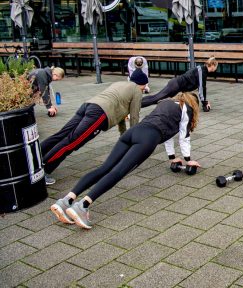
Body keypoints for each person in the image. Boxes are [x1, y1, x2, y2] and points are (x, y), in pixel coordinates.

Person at [50, 92, 201, 229]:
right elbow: (184, 137)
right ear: (193, 104)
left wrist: (173, 158)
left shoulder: (167, 103)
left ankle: (66, 201)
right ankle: (82, 206)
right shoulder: (186, 109)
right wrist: (189, 160)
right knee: (118, 172)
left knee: (104, 168)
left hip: (132, 132)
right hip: (148, 138)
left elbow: (168, 136)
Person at [40, 69, 149, 186]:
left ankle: (37, 156)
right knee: (72, 142)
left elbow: (121, 115)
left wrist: (124, 136)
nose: (144, 88)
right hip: (99, 114)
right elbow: (134, 116)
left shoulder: (119, 84)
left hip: (88, 105)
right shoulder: (137, 91)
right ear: (141, 83)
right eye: (144, 86)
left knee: (62, 134)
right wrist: (133, 140)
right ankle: (43, 171)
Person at [141, 57, 217, 111]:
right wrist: (204, 103)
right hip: (176, 85)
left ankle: (137, 102)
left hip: (176, 84)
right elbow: (201, 88)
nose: (216, 68)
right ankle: (137, 104)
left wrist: (204, 102)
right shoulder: (202, 71)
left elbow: (199, 86)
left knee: (157, 97)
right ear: (213, 65)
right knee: (157, 98)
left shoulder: (202, 69)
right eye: (216, 66)